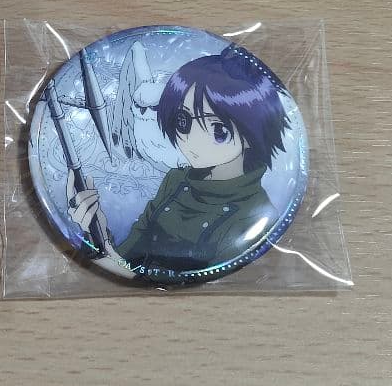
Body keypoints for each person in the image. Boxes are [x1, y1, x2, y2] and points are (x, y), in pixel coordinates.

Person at [68, 45, 290, 278]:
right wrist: (96, 230)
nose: (192, 140)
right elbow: (128, 256)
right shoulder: (177, 179)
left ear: (251, 135)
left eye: (218, 130)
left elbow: (187, 281)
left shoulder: (254, 216)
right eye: (183, 121)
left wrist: (108, 259)